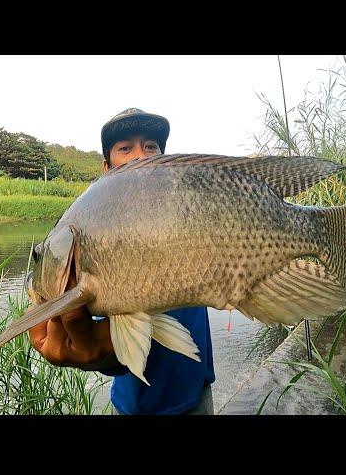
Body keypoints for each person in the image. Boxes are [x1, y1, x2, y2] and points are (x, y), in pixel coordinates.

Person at [27, 108, 216, 415]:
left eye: (151, 146)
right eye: (125, 148)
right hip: (133, 406)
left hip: (197, 396)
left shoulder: (193, 215)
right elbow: (112, 347)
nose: (140, 156)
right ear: (106, 167)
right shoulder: (92, 227)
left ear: (164, 162)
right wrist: (99, 354)